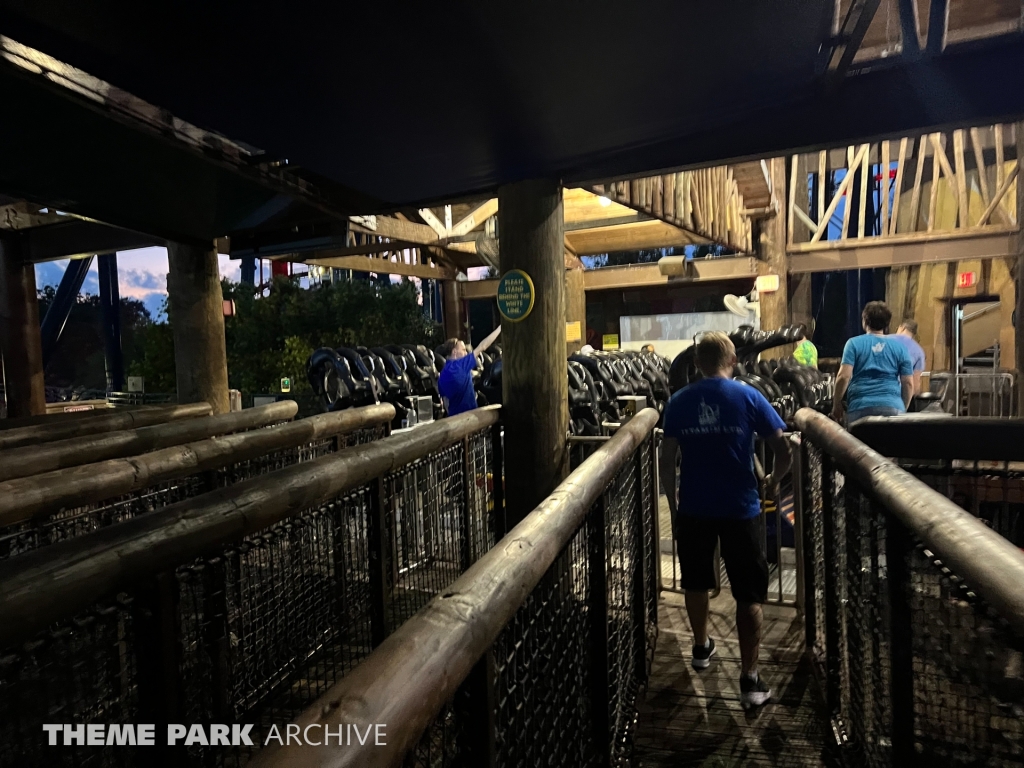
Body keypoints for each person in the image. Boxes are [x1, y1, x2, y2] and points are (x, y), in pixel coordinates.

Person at [659, 331, 791, 710]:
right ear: (732, 361)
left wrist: (673, 502)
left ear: (697, 364)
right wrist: (773, 480)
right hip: (741, 508)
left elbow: (667, 461)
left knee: (696, 581)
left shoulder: (680, 401)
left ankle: (701, 649)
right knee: (748, 593)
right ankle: (750, 679)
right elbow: (783, 449)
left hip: (695, 508)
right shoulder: (749, 396)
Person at [831, 301, 914, 425]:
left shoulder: (853, 344)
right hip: (893, 408)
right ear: (887, 323)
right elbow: (908, 383)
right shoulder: (900, 347)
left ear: (864, 321)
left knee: (858, 444)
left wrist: (836, 404)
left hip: (860, 409)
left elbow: (844, 376)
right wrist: (901, 407)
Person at [437, 326, 502, 416]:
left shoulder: (442, 374)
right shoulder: (462, 364)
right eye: (463, 350)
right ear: (455, 352)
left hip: (453, 418)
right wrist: (500, 328)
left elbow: (445, 402)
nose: (466, 353)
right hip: (469, 416)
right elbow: (483, 346)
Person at [888, 318, 926, 395]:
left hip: (875, 391)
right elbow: (915, 382)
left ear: (902, 328)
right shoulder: (919, 351)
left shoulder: (885, 340)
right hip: (898, 396)